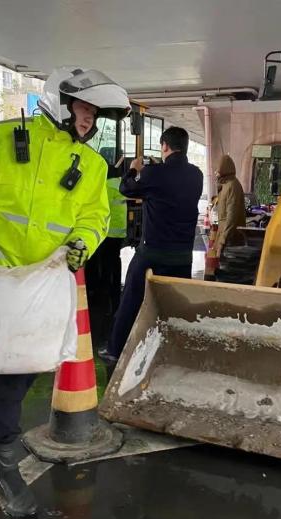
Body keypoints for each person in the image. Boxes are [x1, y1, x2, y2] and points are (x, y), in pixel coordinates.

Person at [0, 66, 130, 518]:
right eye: (85, 109)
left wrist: (81, 244)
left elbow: (95, 216)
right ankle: (5, 466)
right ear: (60, 101)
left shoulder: (91, 164)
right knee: (8, 375)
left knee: (28, 367)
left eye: (95, 114)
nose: (89, 120)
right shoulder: (2, 138)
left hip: (47, 284)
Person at [99, 127, 203, 366]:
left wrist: (136, 169)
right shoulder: (197, 175)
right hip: (183, 256)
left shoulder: (154, 174)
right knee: (175, 305)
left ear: (164, 146)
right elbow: (172, 186)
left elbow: (127, 189)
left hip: (153, 253)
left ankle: (115, 349)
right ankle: (173, 352)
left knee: (131, 300)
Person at [85, 159, 127, 346]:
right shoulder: (121, 184)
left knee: (99, 261)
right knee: (114, 260)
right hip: (119, 231)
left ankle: (98, 287)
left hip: (105, 231)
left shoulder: (102, 185)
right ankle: (114, 290)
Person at [213, 154, 246, 258]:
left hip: (230, 239)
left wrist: (222, 241)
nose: (216, 172)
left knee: (227, 269)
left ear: (224, 170)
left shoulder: (232, 186)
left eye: (218, 169)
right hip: (226, 236)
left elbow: (231, 218)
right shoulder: (226, 185)